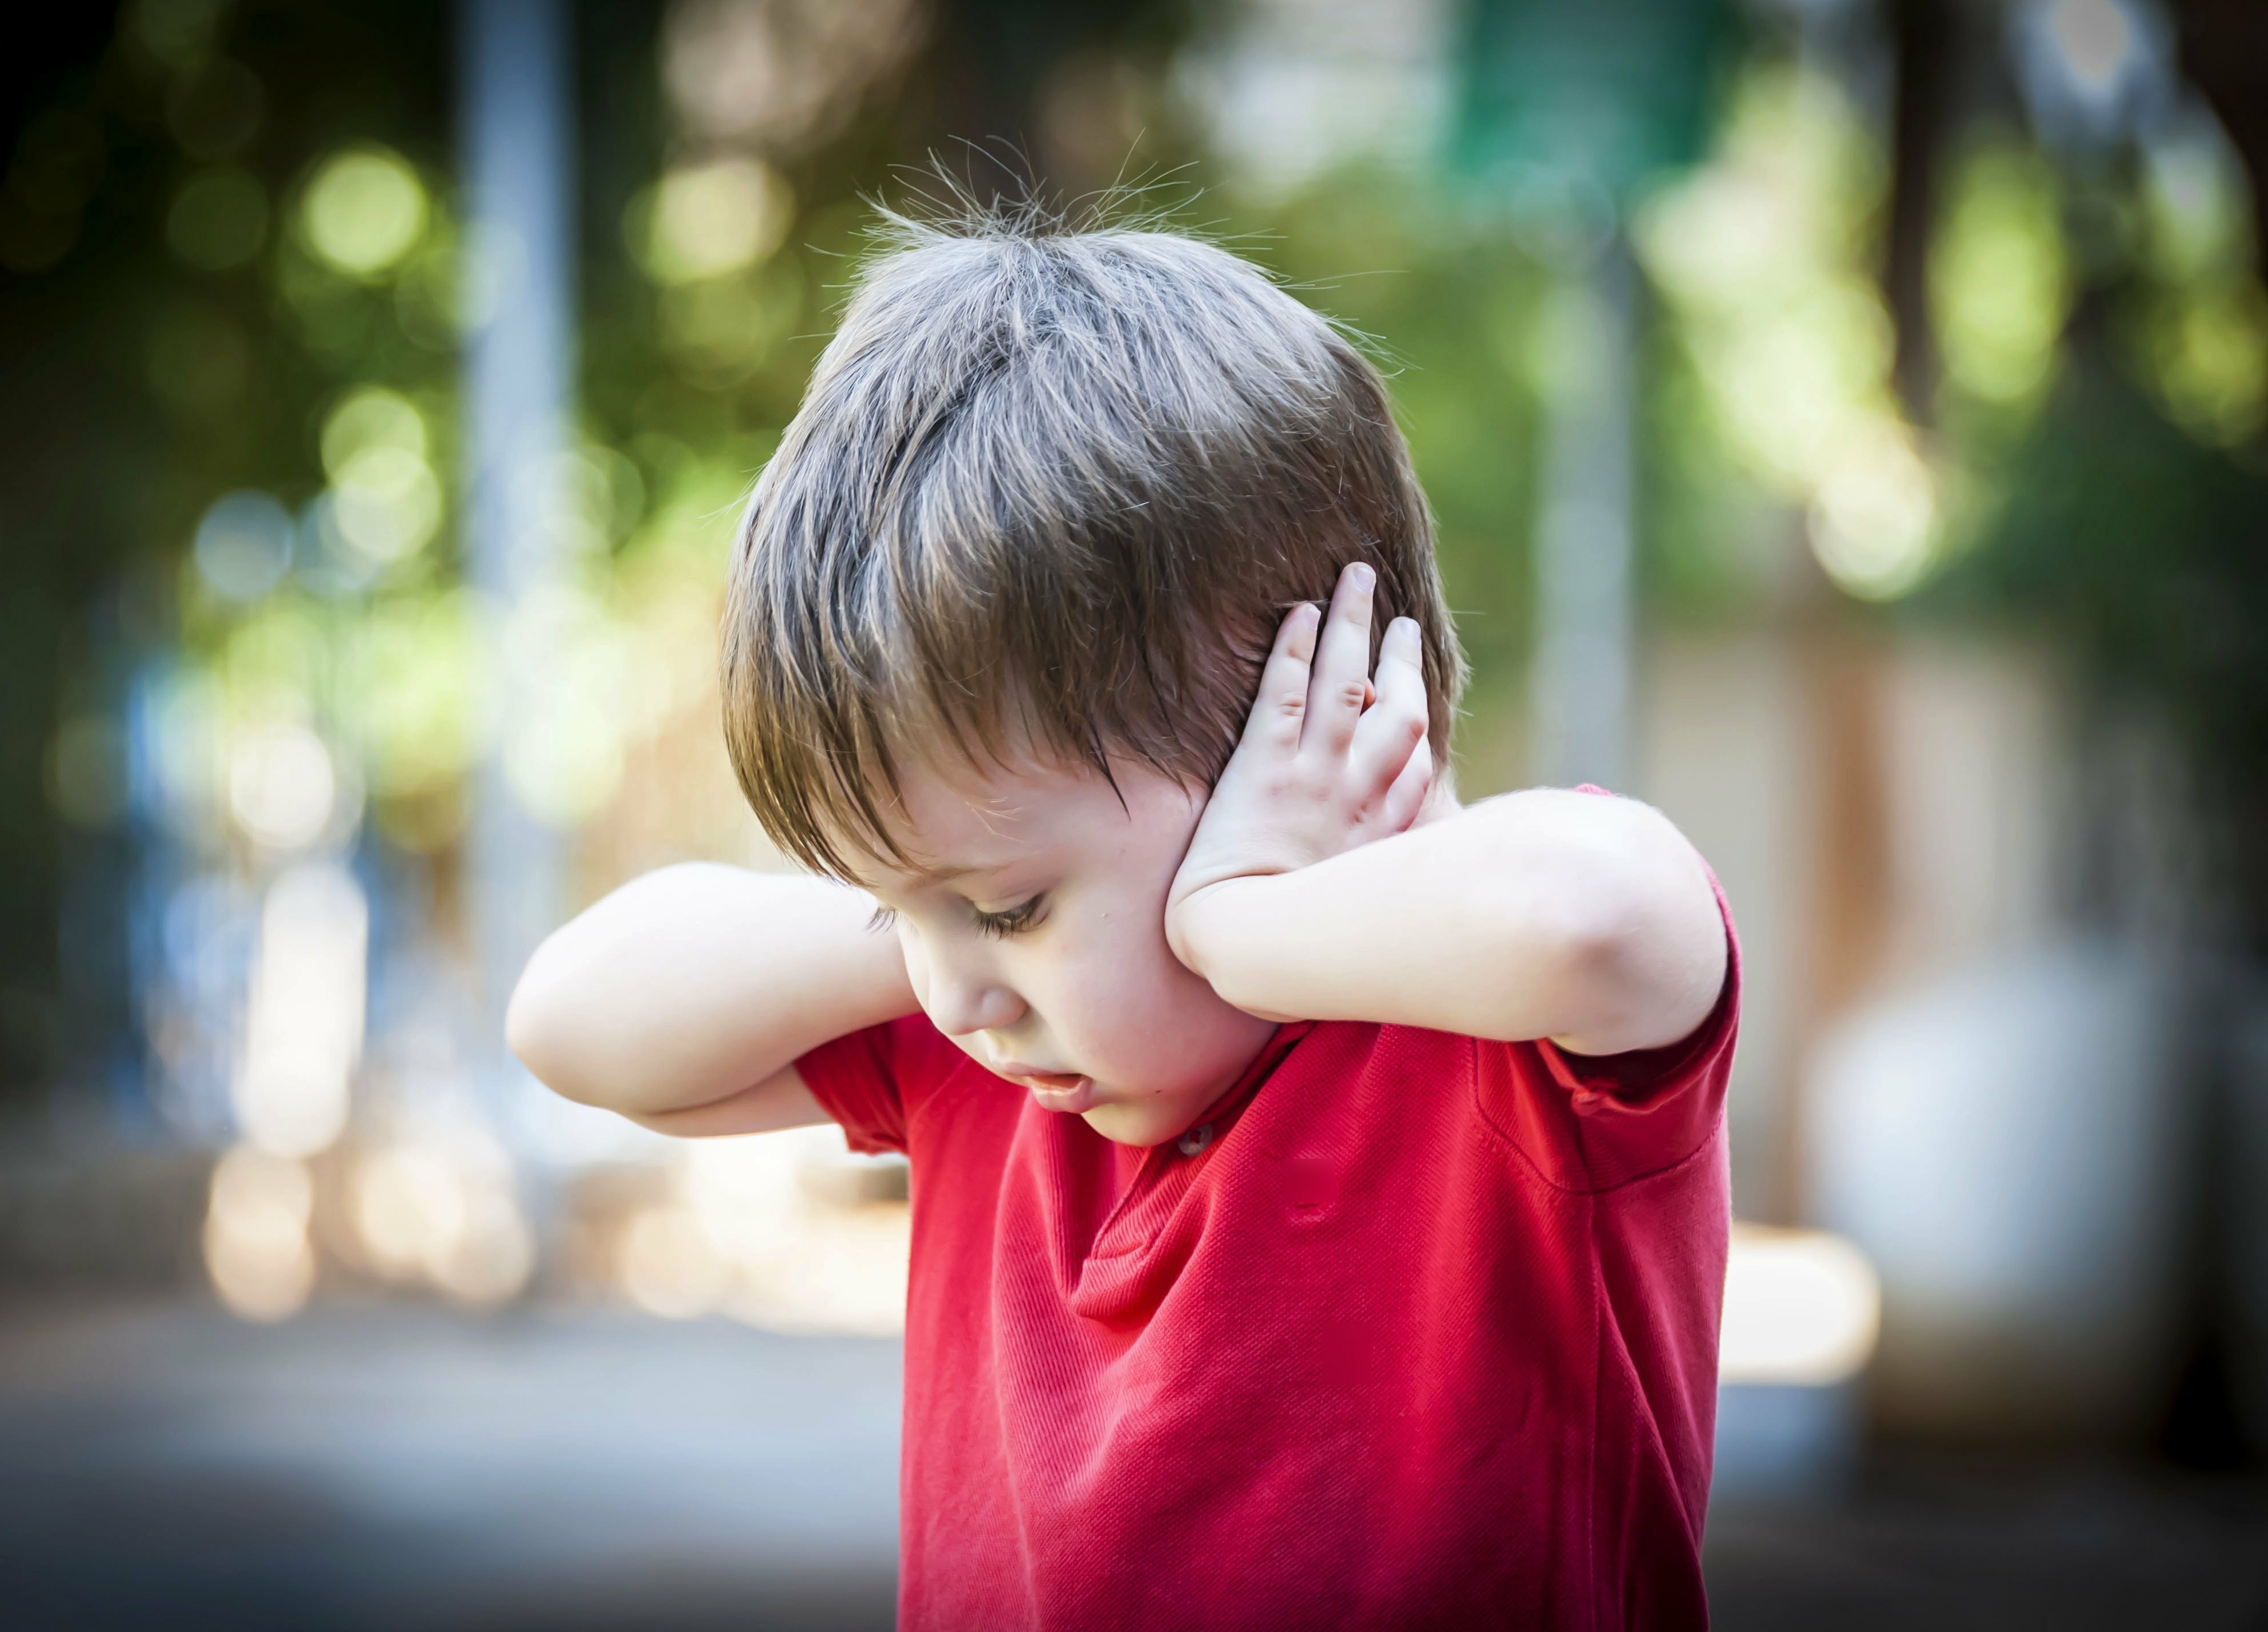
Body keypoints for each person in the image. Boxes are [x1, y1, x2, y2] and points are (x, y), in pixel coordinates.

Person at [506, 207, 1737, 1631]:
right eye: (912, 908)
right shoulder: (984, 1042)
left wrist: (1237, 920)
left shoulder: (1500, 1055)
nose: (959, 988)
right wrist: (938, 903)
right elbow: (572, 1016)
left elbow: (1601, 912)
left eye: (1014, 903)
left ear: (1313, 720)